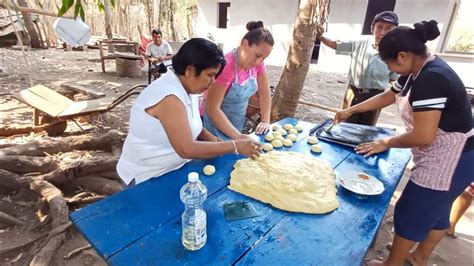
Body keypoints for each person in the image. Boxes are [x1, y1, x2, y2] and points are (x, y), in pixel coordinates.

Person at [334, 20, 473, 265]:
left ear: (402, 55)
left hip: (454, 156)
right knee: (438, 209)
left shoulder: (431, 79)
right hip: (449, 151)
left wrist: (385, 142)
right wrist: (351, 110)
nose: (390, 68)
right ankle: (418, 257)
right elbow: (390, 95)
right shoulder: (416, 69)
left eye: (389, 63)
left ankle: (393, 263)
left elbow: (423, 135)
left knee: (412, 209)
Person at [117, 38, 262, 186]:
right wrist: (234, 146)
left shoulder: (187, 87)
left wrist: (208, 136)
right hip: (145, 177)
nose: (213, 82)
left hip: (172, 170)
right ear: (190, 71)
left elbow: (187, 122)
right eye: (210, 75)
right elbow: (186, 149)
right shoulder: (169, 98)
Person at [318, 11, 399, 126]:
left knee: (365, 129)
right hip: (353, 92)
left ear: (394, 32)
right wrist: (319, 36)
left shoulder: (394, 53)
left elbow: (393, 78)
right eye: (379, 27)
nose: (382, 32)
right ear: (372, 28)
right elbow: (335, 45)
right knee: (345, 125)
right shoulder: (360, 43)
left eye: (388, 29)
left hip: (375, 96)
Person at [202, 21, 274, 140]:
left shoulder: (258, 64)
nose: (259, 62)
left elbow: (264, 92)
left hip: (237, 123)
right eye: (257, 56)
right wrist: (239, 137)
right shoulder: (226, 66)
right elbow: (212, 109)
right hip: (214, 127)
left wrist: (265, 120)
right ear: (244, 44)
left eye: (263, 58)